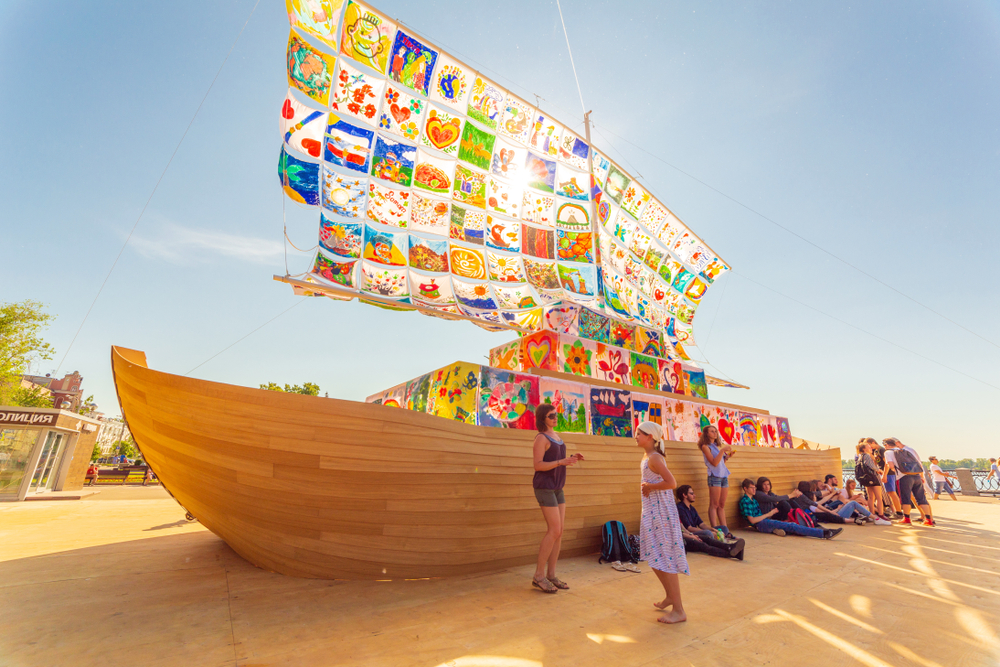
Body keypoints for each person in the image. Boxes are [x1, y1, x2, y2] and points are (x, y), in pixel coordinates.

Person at [636, 421, 688, 624]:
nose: (636, 436)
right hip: (652, 511)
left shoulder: (655, 458)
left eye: (639, 433)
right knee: (654, 556)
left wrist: (650, 486)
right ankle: (670, 596)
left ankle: (679, 610)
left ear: (650, 437)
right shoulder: (649, 457)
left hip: (660, 513)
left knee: (665, 559)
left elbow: (672, 483)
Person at [531, 403, 584, 593]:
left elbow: (556, 460)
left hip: (558, 488)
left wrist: (571, 457)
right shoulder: (541, 438)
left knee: (559, 531)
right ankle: (539, 576)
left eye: (556, 414)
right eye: (551, 415)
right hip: (545, 487)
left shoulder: (557, 437)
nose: (555, 417)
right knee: (554, 530)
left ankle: (551, 575)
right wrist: (562, 461)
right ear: (542, 418)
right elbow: (538, 465)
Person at [738, 478, 841, 539]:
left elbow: (776, 498)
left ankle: (780, 527)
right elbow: (752, 520)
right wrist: (769, 514)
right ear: (745, 489)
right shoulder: (746, 501)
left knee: (791, 524)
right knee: (792, 525)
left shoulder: (753, 500)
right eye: (752, 488)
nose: (754, 489)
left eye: (754, 487)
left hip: (765, 520)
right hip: (761, 524)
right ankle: (824, 533)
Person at [675, 485, 746, 560]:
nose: (694, 495)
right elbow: (688, 529)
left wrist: (713, 530)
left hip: (689, 534)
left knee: (720, 530)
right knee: (705, 543)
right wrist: (692, 535)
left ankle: (730, 547)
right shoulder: (679, 508)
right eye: (692, 493)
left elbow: (699, 525)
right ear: (684, 495)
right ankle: (731, 552)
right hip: (684, 539)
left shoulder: (691, 509)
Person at [885, 438, 935, 526]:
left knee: (905, 498)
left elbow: (891, 465)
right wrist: (921, 476)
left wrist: (895, 470)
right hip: (916, 475)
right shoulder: (906, 450)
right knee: (921, 498)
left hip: (903, 477)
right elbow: (919, 463)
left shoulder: (888, 452)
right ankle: (928, 519)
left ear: (887, 445)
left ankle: (906, 518)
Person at [697, 425, 734, 537]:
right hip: (714, 477)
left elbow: (719, 463)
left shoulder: (715, 446)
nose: (715, 433)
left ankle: (725, 531)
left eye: (715, 431)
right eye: (712, 431)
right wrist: (722, 450)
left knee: (721, 505)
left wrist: (726, 458)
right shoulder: (705, 446)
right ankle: (715, 530)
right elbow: (713, 463)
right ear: (706, 434)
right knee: (714, 504)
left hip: (723, 476)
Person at [855, 441, 887, 519]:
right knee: (879, 497)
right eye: (868, 447)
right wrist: (879, 470)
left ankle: (871, 514)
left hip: (865, 479)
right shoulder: (867, 456)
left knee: (870, 497)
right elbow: (871, 465)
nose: (871, 448)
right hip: (872, 477)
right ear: (864, 449)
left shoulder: (860, 456)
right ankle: (881, 515)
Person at [881, 440, 905, 517]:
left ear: (887, 445)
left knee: (892, 493)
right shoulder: (901, 451)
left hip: (892, 474)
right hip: (905, 474)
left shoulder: (887, 452)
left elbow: (888, 465)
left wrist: (884, 475)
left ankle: (898, 512)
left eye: (884, 444)